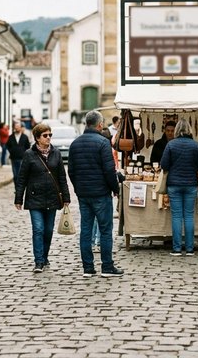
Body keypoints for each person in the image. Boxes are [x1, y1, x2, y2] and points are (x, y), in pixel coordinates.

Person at [68, 110, 124, 278]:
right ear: (100, 124)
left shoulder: (75, 144)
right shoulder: (102, 143)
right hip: (101, 193)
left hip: (84, 194)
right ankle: (107, 266)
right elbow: (109, 170)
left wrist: (78, 188)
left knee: (86, 230)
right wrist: (115, 188)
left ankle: (88, 268)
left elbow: (71, 171)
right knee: (106, 230)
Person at [14, 123, 71, 273]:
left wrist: (66, 197)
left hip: (52, 197)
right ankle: (38, 261)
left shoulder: (56, 153)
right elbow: (22, 178)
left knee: (48, 230)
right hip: (35, 198)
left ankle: (44, 256)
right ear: (37, 138)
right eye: (45, 135)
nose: (48, 138)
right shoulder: (29, 154)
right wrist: (18, 198)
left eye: (50, 135)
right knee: (38, 229)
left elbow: (61, 177)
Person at [160, 118, 198, 256]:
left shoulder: (171, 145)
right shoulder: (196, 145)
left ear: (177, 130)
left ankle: (177, 248)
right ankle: (190, 248)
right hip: (191, 184)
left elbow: (164, 165)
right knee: (189, 216)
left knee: (176, 216)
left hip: (174, 184)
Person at [7, 121, 30, 185]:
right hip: (13, 158)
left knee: (20, 175)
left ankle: (19, 189)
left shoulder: (25, 137)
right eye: (15, 127)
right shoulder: (11, 137)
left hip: (22, 158)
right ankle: (16, 189)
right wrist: (11, 151)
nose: (16, 128)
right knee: (15, 175)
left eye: (18, 127)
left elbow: (28, 146)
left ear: (20, 127)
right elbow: (8, 145)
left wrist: (24, 153)